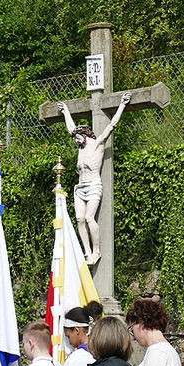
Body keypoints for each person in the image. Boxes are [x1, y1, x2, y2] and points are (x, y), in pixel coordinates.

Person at [57, 92, 131, 265]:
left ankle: (96, 251)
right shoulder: (80, 148)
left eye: (77, 137)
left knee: (90, 218)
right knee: (80, 219)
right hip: (80, 187)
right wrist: (66, 111)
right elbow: (70, 129)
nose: (75, 140)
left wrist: (122, 104)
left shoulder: (97, 144)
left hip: (93, 185)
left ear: (85, 134)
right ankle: (87, 251)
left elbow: (112, 125)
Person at [61, 302, 103, 366]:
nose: (69, 342)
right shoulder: (102, 352)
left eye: (68, 336)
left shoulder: (76, 359)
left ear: (77, 330)